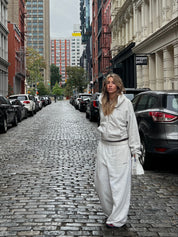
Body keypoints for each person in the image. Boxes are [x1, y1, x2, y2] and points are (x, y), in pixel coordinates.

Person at [94, 73, 141, 228]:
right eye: (108, 82)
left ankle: (119, 218)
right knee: (101, 183)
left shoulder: (126, 103)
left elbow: (132, 127)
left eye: (113, 82)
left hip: (120, 147)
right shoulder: (102, 101)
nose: (110, 85)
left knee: (120, 186)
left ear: (118, 85)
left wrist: (135, 150)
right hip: (104, 146)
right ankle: (111, 212)